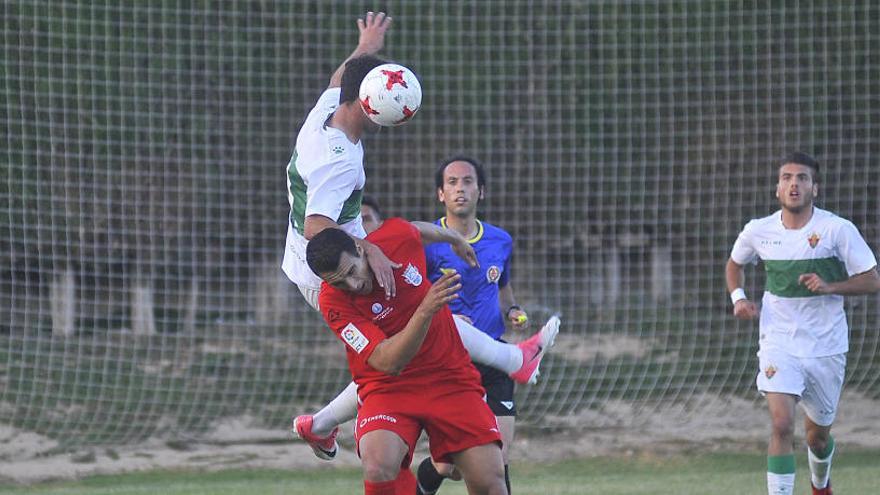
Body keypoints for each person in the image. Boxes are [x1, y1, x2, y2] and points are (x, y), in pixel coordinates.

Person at [284, 12, 559, 462]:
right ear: (370, 109)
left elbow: (343, 77)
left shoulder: (327, 114)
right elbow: (317, 226)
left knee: (415, 333)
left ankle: (317, 425)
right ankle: (514, 361)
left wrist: (365, 49)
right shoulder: (337, 162)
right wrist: (368, 250)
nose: (385, 125)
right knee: (402, 344)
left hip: (335, 254)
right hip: (333, 270)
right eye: (386, 117)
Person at [306, 219, 509, 495]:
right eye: (340, 282)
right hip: (388, 387)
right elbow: (387, 362)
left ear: (360, 248)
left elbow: (415, 228)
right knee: (378, 466)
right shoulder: (333, 302)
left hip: (449, 377)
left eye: (352, 271)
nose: (353, 285)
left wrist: (454, 239)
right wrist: (425, 310)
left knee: (489, 482)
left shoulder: (395, 240)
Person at [725, 152, 880, 495]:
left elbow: (872, 280)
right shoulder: (758, 231)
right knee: (781, 425)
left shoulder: (837, 230)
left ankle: (820, 484)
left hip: (826, 347)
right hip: (779, 342)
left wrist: (831, 286)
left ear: (815, 188)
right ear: (777, 188)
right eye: (787, 177)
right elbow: (734, 264)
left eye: (802, 178)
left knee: (818, 437)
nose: (794, 183)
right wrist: (739, 298)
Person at [414, 156, 559, 495]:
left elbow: (503, 289)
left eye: (467, 181)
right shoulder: (428, 244)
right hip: (448, 362)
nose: (460, 189)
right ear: (440, 194)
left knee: (499, 457)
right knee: (448, 465)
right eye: (452, 183)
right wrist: (444, 318)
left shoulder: (500, 241)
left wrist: (513, 310)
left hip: (494, 359)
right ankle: (422, 484)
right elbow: (414, 299)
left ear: (481, 191)